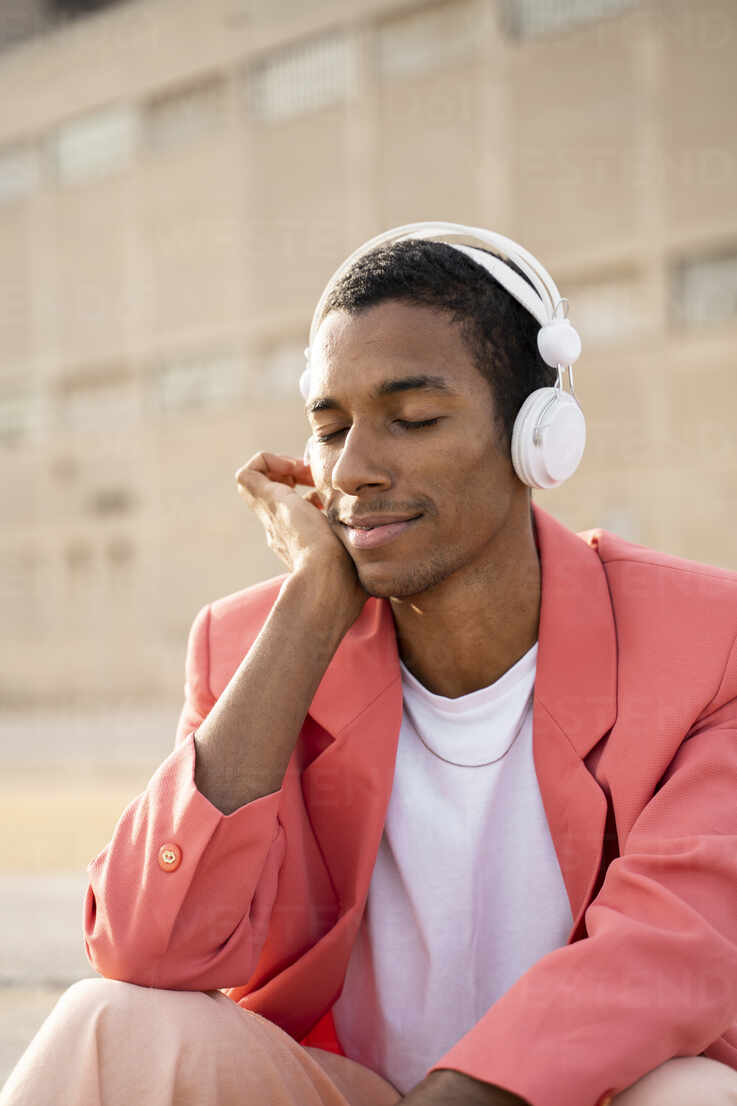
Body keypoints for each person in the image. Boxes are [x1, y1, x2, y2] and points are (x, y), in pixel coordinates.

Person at [3, 222, 737, 1106]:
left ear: (537, 436)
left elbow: (674, 950)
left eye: (412, 419)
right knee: (105, 1023)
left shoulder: (705, 638)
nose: (352, 470)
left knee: (690, 1091)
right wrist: (310, 609)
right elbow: (148, 948)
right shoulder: (250, 648)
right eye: (329, 428)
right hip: (346, 1090)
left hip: (576, 1095)